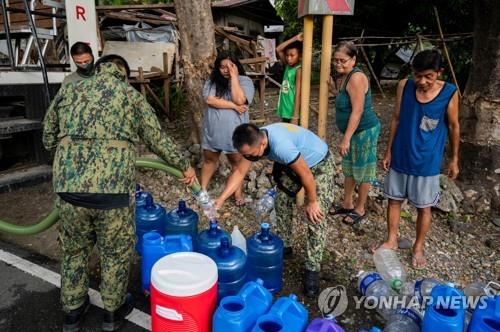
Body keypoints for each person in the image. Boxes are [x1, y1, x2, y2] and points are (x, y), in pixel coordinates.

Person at [43, 54, 197, 331]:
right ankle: (112, 313)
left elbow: (47, 136)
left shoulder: (70, 89)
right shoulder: (129, 95)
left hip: (68, 192)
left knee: (74, 250)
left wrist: (70, 159)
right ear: (122, 74)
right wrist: (184, 166)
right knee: (114, 251)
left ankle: (72, 312)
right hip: (112, 195)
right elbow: (156, 138)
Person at [214, 123, 336, 297]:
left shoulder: (281, 147)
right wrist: (220, 199)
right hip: (295, 163)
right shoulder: (254, 140)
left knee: (315, 216)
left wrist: (313, 201)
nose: (248, 158)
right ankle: (285, 246)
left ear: (262, 145)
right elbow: (239, 172)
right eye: (245, 154)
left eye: (249, 154)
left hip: (318, 164)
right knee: (282, 200)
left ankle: (312, 269)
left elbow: (307, 175)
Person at [378, 49, 460, 268]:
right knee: (393, 200)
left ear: (439, 73)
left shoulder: (449, 93)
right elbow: (396, 118)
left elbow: (453, 126)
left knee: (424, 207)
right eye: (418, 75)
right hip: (401, 154)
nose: (422, 81)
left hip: (427, 161)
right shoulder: (404, 86)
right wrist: (389, 150)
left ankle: (418, 247)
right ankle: (392, 239)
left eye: (428, 76)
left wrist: (454, 159)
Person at [328, 41, 381, 226]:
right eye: (335, 61)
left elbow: (357, 111)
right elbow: (346, 101)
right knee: (349, 168)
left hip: (363, 131)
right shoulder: (345, 77)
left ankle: (360, 208)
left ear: (354, 59)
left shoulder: (356, 78)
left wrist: (346, 139)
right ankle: (347, 203)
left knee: (364, 170)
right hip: (353, 132)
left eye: (342, 61)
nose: (338, 64)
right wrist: (335, 91)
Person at [201, 51, 255, 206]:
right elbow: (210, 100)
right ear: (217, 68)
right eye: (222, 67)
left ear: (236, 66)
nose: (226, 70)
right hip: (213, 133)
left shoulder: (245, 81)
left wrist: (234, 78)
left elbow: (240, 99)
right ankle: (202, 190)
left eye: (230, 66)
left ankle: (237, 194)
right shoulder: (212, 82)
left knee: (237, 165)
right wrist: (233, 106)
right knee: (209, 160)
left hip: (235, 135)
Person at [275, 33, 303, 124]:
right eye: (287, 55)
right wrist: (295, 38)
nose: (288, 58)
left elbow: (298, 94)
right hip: (285, 110)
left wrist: (295, 116)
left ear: (299, 55)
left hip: (292, 111)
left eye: (292, 55)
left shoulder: (299, 70)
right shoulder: (288, 66)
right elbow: (278, 49)